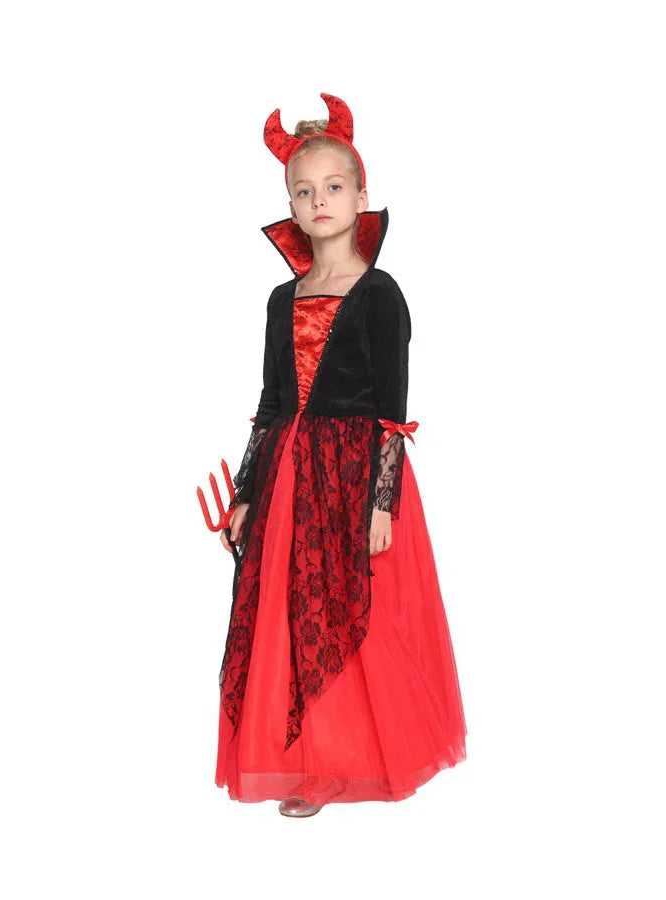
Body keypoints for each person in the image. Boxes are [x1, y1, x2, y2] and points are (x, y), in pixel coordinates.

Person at [214, 93, 467, 817]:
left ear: (360, 197)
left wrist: (382, 502)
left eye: (332, 186)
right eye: (304, 191)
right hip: (289, 475)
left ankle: (360, 758)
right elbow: (271, 403)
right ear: (291, 208)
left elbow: (392, 409)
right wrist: (244, 493)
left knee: (355, 611)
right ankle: (308, 763)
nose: (318, 200)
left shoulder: (381, 295)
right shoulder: (281, 299)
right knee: (291, 612)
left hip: (353, 475)